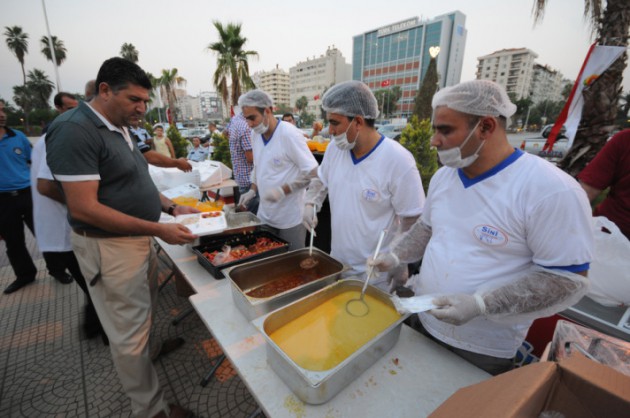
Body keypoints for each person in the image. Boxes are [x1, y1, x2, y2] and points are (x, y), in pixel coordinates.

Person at [369, 80, 593, 376]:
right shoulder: (444, 177)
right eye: (435, 129)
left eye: (445, 130)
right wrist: (395, 256)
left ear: (486, 127)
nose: (434, 141)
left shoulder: (549, 190)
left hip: (484, 347)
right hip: (424, 320)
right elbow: (427, 228)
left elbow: (565, 279)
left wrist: (481, 304)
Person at [46, 57, 197, 418]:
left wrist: (172, 209)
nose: (141, 108)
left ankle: (150, 353)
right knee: (127, 336)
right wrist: (158, 229)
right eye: (133, 99)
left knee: (139, 317)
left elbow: (136, 180)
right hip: (111, 248)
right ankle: (150, 410)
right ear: (103, 91)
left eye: (145, 101)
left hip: (137, 239)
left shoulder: (119, 126)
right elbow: (83, 208)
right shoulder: (74, 130)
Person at [292, 80, 425, 291]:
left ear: (359, 122)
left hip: (374, 273)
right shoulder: (336, 150)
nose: (330, 131)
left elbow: (412, 219)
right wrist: (310, 202)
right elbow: (321, 179)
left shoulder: (398, 160)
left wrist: (399, 261)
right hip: (338, 264)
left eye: (335, 123)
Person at [30, 92, 104, 339]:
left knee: (93, 285)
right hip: (69, 227)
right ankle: (105, 333)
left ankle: (94, 328)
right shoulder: (63, 136)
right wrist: (88, 204)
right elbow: (45, 186)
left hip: (73, 225)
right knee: (96, 286)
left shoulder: (67, 132)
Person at [238, 90, 318, 250]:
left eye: (252, 118)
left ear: (267, 110)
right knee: (266, 260)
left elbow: (314, 173)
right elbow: (258, 166)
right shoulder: (255, 134)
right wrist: (252, 190)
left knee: (293, 263)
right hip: (266, 215)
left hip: (291, 217)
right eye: (246, 119)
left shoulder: (289, 134)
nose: (250, 124)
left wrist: (288, 192)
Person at [0, 100, 38, 294]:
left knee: (43, 233)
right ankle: (25, 275)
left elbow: (34, 162)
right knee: (13, 241)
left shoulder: (18, 136)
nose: (2, 114)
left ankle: (58, 270)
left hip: (27, 194)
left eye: (3, 109)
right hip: (3, 201)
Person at [577, 129, 630, 240]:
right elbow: (586, 192)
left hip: (613, 235)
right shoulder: (624, 139)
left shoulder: (624, 138)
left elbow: (587, 191)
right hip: (614, 234)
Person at [226, 109, 258, 213]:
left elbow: (225, 133)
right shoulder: (246, 127)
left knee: (247, 215)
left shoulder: (234, 120)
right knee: (254, 218)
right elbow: (250, 158)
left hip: (240, 177)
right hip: (250, 180)